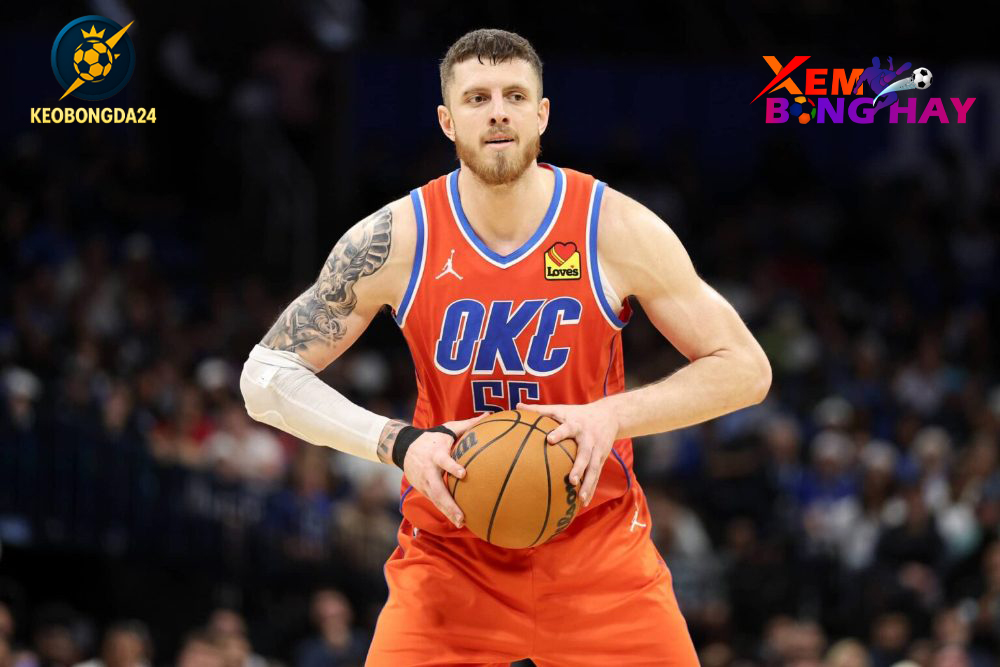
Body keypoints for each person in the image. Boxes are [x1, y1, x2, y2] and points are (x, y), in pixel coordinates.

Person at [241, 28, 771, 665]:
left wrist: (610, 414)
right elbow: (264, 377)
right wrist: (399, 443)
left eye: (515, 96)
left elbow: (746, 369)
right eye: (477, 98)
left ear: (541, 114)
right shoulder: (397, 238)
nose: (498, 112)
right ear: (447, 121)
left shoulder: (613, 227)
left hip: (598, 554)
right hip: (450, 555)